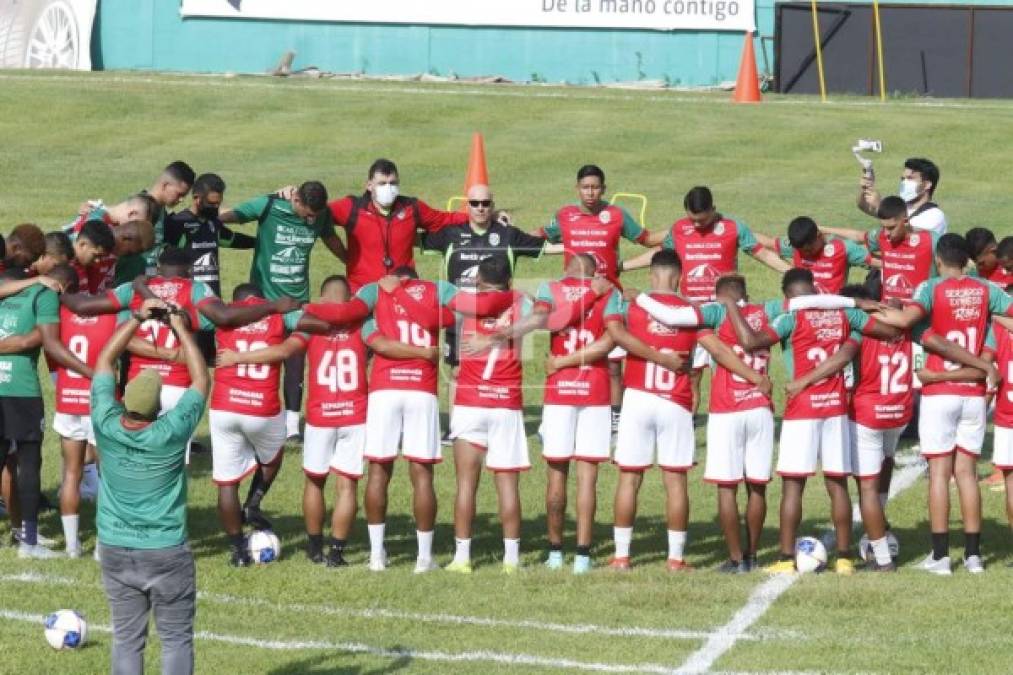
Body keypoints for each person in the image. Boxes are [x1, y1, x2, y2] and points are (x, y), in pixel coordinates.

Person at [721, 268, 901, 575]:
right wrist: (858, 313)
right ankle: (844, 558)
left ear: (789, 297)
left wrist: (729, 306)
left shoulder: (791, 318)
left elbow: (750, 343)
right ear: (816, 289)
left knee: (793, 487)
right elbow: (889, 331)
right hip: (835, 409)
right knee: (837, 484)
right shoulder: (844, 314)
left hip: (802, 409)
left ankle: (786, 559)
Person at [873, 234, 1011, 575]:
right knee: (966, 473)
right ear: (966, 259)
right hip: (974, 394)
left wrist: (870, 307)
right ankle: (974, 556)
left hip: (939, 391)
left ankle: (940, 557)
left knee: (939, 472)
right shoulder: (986, 289)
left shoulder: (930, 288)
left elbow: (905, 321)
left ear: (938, 260)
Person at [92, 296, 208, 675]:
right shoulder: (170, 433)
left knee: (127, 640)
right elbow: (201, 378)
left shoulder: (106, 425)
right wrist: (179, 328)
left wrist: (136, 319)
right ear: (159, 407)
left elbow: (104, 362)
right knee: (175, 639)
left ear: (123, 400)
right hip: (165, 550)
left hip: (114, 547)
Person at [218, 275, 368, 567]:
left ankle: (314, 549)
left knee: (315, 482)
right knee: (347, 485)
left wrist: (236, 358)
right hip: (355, 413)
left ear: (322, 299)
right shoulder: (361, 325)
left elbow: (284, 352)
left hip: (321, 414)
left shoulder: (310, 327)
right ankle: (337, 554)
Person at [633, 274, 779, 572]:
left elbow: (673, 317)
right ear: (746, 293)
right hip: (761, 409)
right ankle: (752, 555)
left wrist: (639, 296)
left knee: (727, 488)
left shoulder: (714, 312)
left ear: (718, 296)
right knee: (757, 487)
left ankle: (735, 559)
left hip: (727, 409)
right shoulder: (768, 311)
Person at [204, 283, 323, 566]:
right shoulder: (278, 316)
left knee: (227, 481)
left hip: (224, 405)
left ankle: (237, 551)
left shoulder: (223, 314)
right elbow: (315, 323)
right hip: (262, 407)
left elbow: (187, 322)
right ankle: (254, 502)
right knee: (273, 455)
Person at [535, 165, 657, 435]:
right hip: (573, 297)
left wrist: (680, 235)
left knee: (612, 362)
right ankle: (562, 411)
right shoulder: (565, 215)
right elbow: (541, 235)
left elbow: (646, 239)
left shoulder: (616, 215)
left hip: (608, 296)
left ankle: (615, 417)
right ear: (577, 188)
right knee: (568, 353)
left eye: (595, 187)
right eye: (585, 187)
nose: (590, 192)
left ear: (604, 189)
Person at [220, 180, 346, 440]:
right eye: (308, 214)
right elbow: (231, 216)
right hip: (262, 303)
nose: (311, 219)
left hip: (296, 299)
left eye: (316, 215)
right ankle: (252, 413)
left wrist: (350, 261)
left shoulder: (320, 215)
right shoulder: (269, 205)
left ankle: (291, 424)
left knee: (296, 359)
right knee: (260, 358)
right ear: (296, 200)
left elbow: (331, 238)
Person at [423, 182, 547, 442]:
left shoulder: (507, 234)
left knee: (498, 368)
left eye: (485, 203)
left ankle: (496, 417)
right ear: (466, 205)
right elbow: (412, 237)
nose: (480, 208)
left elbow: (546, 247)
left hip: (500, 317)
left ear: (493, 205)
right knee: (457, 371)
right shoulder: (450, 234)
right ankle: (456, 428)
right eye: (475, 203)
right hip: (460, 317)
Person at [603, 250, 699, 571]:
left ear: (651, 275)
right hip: (676, 398)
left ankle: (621, 556)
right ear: (680, 276)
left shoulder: (632, 306)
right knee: (675, 481)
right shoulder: (693, 311)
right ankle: (675, 559)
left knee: (629, 477)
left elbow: (616, 335)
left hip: (638, 396)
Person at [527, 254, 617, 574]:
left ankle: (554, 552)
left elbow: (545, 323)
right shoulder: (609, 292)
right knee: (587, 478)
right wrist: (595, 293)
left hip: (560, 390)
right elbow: (610, 342)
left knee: (556, 474)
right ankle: (582, 556)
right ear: (595, 272)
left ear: (569, 268)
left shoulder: (550, 288)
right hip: (595, 390)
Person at [445, 257, 536, 574]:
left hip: (470, 401)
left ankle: (462, 557)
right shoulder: (521, 301)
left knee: (466, 484)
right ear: (510, 281)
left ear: (479, 281)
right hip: (505, 403)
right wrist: (501, 334)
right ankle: (511, 561)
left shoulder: (467, 302)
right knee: (508, 485)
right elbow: (543, 314)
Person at [0, 264, 91, 558]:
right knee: (29, 464)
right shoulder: (46, 295)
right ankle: (29, 542)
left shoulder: (6, 294)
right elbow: (39, 340)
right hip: (21, 391)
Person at [323, 158, 469, 291]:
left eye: (392, 183)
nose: (388, 187)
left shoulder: (412, 208)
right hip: (362, 291)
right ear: (369, 185)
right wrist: (342, 254)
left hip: (404, 289)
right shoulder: (352, 208)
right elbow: (318, 214)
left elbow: (443, 219)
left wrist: (477, 215)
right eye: (382, 183)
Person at [165, 173, 257, 363]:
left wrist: (261, 242)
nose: (215, 208)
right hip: (186, 303)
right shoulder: (178, 224)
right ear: (197, 198)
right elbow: (167, 261)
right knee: (187, 359)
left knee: (207, 359)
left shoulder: (213, 223)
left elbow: (231, 239)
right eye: (211, 204)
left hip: (210, 303)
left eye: (218, 204)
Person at [824, 196, 940, 305]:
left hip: (921, 316)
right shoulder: (882, 236)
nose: (886, 233)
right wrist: (823, 229)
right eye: (883, 227)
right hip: (889, 313)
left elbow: (950, 272)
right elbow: (858, 236)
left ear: (905, 221)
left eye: (891, 228)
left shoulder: (931, 240)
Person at [754, 216, 870, 294]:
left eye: (810, 250)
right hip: (801, 308)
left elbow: (877, 257)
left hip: (833, 309)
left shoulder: (842, 248)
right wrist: (741, 231)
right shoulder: (796, 245)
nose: (806, 254)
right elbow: (768, 243)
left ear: (819, 236)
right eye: (802, 251)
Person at [65, 194, 158, 292]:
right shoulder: (96, 229)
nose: (128, 256)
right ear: (127, 238)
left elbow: (148, 264)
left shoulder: (112, 242)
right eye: (129, 252)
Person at [135, 160, 197, 276]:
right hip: (130, 284)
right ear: (165, 185)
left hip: (146, 280)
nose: (181, 200)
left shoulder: (160, 210)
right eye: (179, 194)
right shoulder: (139, 209)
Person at [858, 156, 946, 235]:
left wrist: (879, 207)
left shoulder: (935, 215)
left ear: (926, 185)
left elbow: (907, 235)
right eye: (903, 179)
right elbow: (864, 206)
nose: (904, 183)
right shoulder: (899, 206)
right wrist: (866, 187)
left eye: (910, 178)